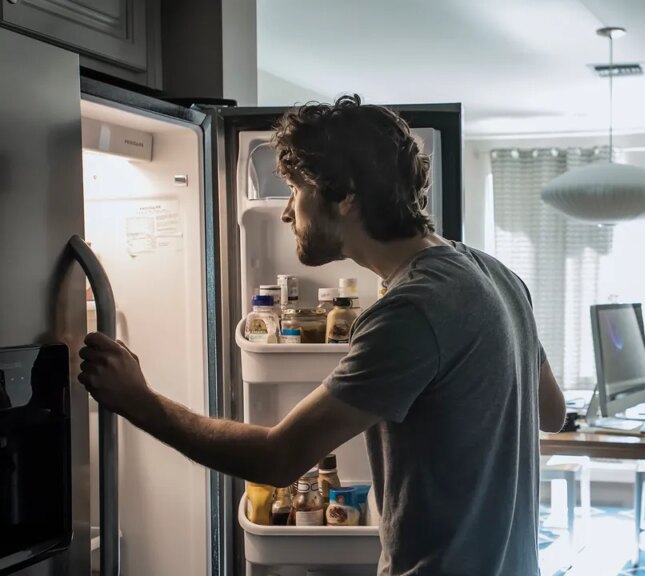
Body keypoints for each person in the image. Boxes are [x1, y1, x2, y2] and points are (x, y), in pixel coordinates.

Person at [78, 95, 567, 576]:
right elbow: (553, 411)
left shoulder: (412, 310)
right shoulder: (494, 273)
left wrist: (138, 400)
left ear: (344, 194)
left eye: (295, 189)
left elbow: (277, 458)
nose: (288, 212)